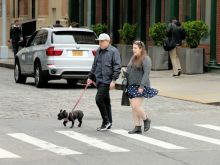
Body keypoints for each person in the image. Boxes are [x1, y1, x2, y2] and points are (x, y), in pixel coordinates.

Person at [87, 33, 121, 131]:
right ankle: (109, 122)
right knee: (106, 102)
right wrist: (90, 77)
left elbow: (117, 67)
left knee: (98, 99)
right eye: (99, 42)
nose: (100, 43)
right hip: (99, 79)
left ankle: (105, 121)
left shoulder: (114, 51)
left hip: (107, 80)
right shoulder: (98, 51)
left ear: (108, 41)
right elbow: (94, 65)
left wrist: (114, 80)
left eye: (102, 41)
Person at [126, 41, 158, 134]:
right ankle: (137, 126)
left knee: (136, 105)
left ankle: (146, 119)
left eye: (135, 48)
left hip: (141, 86)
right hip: (131, 86)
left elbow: (146, 74)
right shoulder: (133, 58)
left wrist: (142, 86)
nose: (133, 50)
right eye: (133, 48)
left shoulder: (146, 59)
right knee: (133, 107)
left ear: (141, 49)